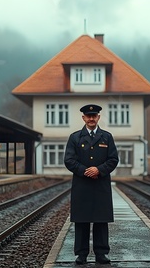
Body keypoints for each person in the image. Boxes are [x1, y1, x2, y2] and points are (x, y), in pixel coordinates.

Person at [64, 104, 119, 265]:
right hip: (82, 185)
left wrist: (99, 170)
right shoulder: (75, 137)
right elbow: (69, 160)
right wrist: (85, 171)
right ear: (83, 118)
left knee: (101, 220)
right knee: (81, 220)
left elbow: (113, 159)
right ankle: (81, 254)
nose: (91, 119)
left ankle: (101, 253)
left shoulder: (107, 137)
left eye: (94, 116)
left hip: (100, 184)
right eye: (88, 116)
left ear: (98, 118)